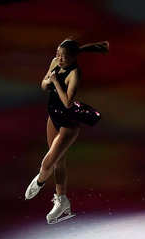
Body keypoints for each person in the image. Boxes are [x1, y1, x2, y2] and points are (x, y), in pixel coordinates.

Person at [24, 38, 109, 224]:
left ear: (73, 57)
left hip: (68, 122)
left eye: (63, 57)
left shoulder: (75, 73)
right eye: (58, 54)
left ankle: (39, 180)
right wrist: (49, 82)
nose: (59, 59)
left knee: (47, 164)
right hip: (52, 116)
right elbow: (43, 85)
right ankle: (62, 201)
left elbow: (67, 103)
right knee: (58, 163)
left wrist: (54, 81)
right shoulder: (54, 62)